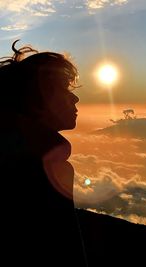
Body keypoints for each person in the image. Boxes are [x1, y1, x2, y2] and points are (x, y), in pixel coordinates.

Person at [0, 40, 87, 265]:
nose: (75, 98)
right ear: (36, 100)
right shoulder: (40, 171)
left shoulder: (16, 156)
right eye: (63, 90)